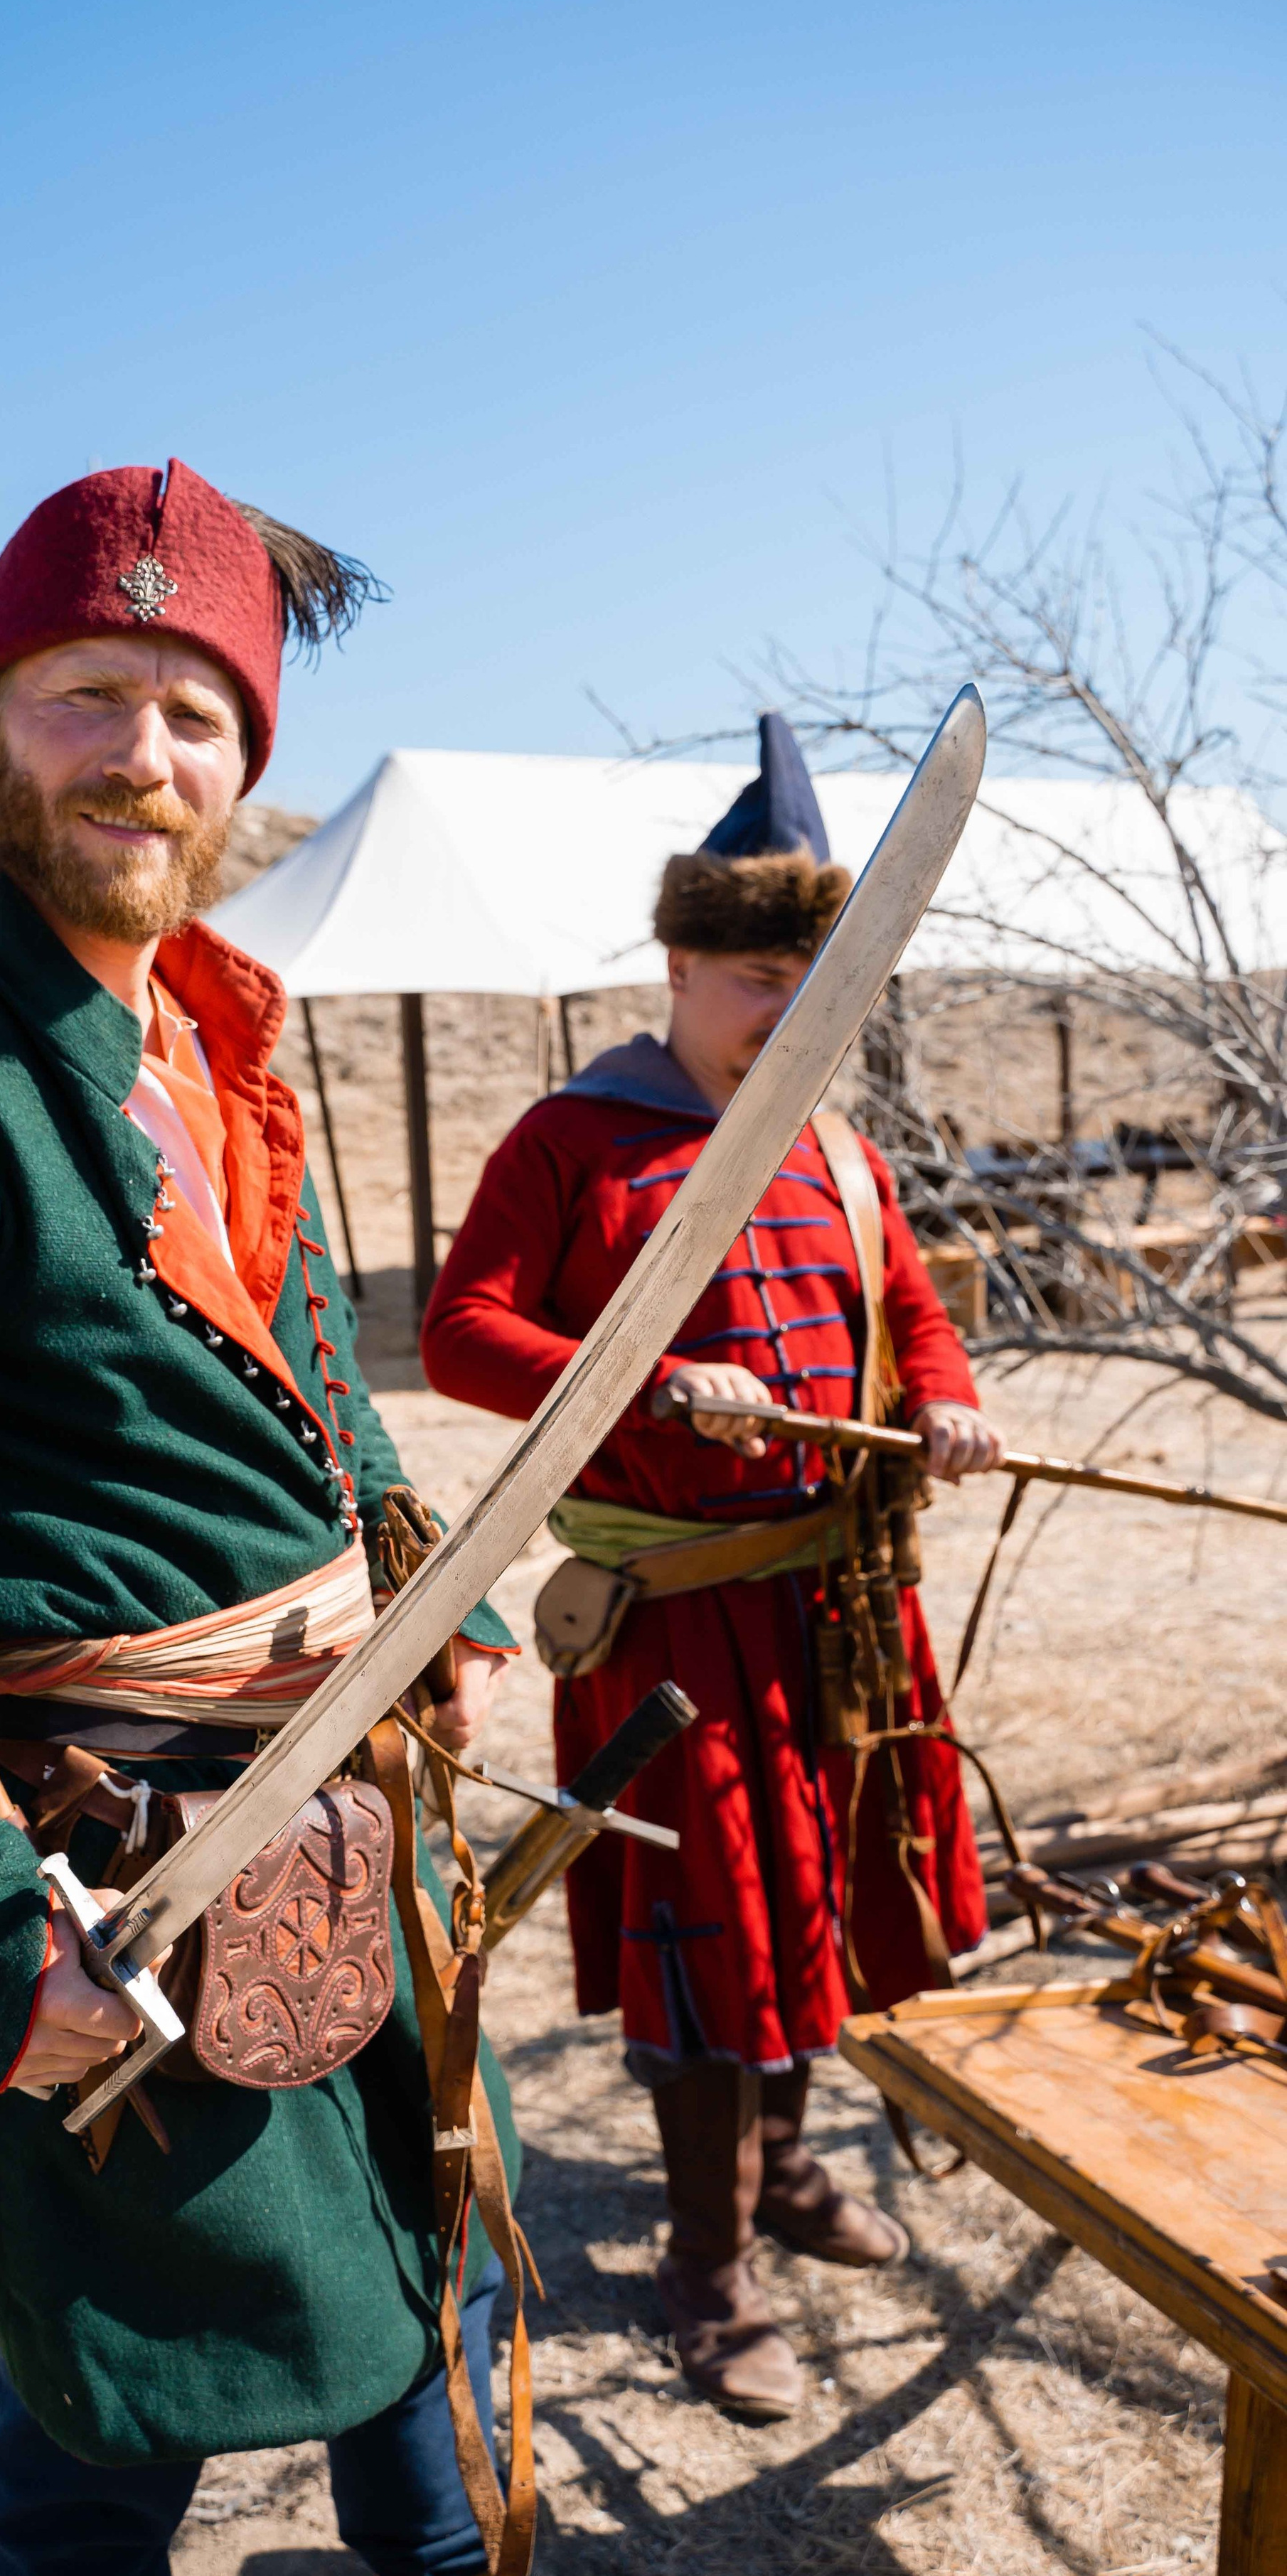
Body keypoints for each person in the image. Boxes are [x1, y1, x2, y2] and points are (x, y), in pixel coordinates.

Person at [0, 461, 539, 2576]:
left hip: (355, 1830)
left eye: (194, 715)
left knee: (422, 2319)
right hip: (121, 1872)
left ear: (245, 766)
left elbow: (317, 1379)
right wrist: (0, 1925)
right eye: (89, 695)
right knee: (112, 2438)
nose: (141, 754)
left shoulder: (229, 1045)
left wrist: (400, 1570)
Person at [420, 713, 1004, 2422]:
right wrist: (643, 1373)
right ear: (677, 963)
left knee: (821, 1905)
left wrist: (951, 1402)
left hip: (838, 1607)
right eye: (757, 976)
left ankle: (783, 2168)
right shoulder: (571, 1140)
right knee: (707, 1930)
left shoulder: (836, 1146)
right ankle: (707, 2261)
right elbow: (459, 1334)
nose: (783, 1013)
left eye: (814, 985)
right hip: (668, 1620)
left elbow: (908, 1311)